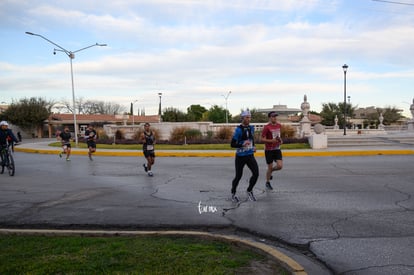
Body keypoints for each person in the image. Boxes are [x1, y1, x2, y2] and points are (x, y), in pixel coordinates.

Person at [230, 110, 259, 202]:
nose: (249, 119)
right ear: (242, 118)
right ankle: (233, 193)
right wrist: (242, 144)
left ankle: (249, 190)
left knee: (256, 174)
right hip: (240, 156)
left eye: (250, 117)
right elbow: (232, 144)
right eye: (247, 117)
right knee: (238, 176)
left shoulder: (251, 128)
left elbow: (251, 139)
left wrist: (253, 146)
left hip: (250, 155)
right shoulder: (238, 130)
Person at [261, 111, 283, 190]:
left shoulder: (279, 125)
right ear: (270, 118)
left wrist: (280, 140)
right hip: (269, 150)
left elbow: (278, 136)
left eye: (275, 116)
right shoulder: (266, 127)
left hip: (277, 149)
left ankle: (271, 171)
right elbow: (262, 139)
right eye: (273, 116)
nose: (275, 118)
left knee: (280, 166)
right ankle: (267, 182)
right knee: (269, 167)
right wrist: (271, 141)